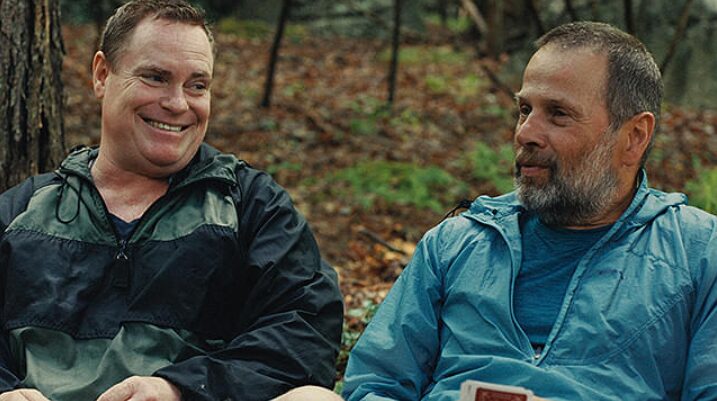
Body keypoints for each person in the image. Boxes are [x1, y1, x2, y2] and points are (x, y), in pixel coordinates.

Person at [342, 21, 717, 401]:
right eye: (524, 110)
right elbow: (376, 384)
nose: (525, 133)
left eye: (558, 114)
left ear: (634, 137)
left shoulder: (699, 253)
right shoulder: (456, 244)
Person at [0, 1, 343, 401]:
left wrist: (180, 388)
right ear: (102, 74)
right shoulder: (21, 213)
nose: (178, 104)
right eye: (156, 77)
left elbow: (305, 333)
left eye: (197, 85)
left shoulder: (251, 206)